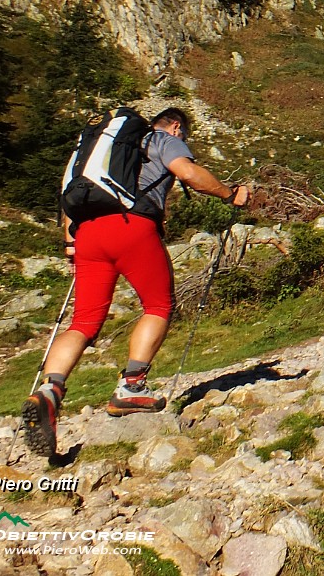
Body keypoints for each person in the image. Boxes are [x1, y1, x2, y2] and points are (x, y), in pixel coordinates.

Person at [20, 108, 251, 456]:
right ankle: (131, 388)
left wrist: (70, 243)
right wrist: (230, 193)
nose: (182, 141)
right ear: (175, 127)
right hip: (132, 227)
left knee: (83, 321)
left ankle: (49, 391)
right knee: (158, 305)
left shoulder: (96, 151)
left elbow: (70, 196)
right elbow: (189, 174)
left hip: (86, 234)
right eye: (183, 135)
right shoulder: (159, 140)